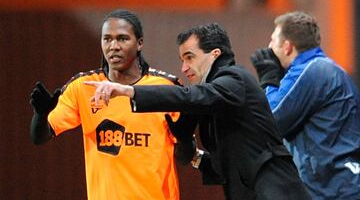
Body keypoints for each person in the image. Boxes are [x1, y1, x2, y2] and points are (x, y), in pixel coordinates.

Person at [84, 23, 311, 199]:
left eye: (189, 57)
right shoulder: (213, 96)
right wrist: (194, 156)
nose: (183, 68)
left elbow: (190, 97)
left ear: (214, 54)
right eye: (181, 59)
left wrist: (129, 91)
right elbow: (230, 156)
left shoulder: (234, 80)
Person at [29, 9, 191, 200]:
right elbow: (39, 137)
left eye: (122, 39)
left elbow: (184, 157)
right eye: (107, 39)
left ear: (139, 43)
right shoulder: (83, 87)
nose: (113, 46)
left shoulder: (166, 88)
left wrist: (185, 139)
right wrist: (40, 115)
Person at [250, 11, 360, 199]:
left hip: (331, 188)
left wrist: (268, 78)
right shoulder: (326, 68)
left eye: (273, 40)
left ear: (286, 46)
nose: (268, 48)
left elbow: (270, 121)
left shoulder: (311, 70)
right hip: (339, 184)